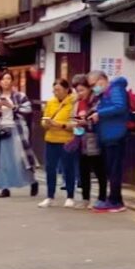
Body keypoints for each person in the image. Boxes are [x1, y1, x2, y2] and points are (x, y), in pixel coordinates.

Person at [0, 71, 39, 198]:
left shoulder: (20, 96)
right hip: (1, 130)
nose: (6, 81)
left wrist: (13, 106)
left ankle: (32, 181)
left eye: (9, 78)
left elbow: (28, 110)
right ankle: (5, 187)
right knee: (3, 160)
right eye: (3, 79)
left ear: (12, 81)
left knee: (21, 158)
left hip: (17, 129)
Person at [92, 71, 130, 213]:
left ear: (102, 80)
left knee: (114, 169)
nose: (93, 88)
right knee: (111, 169)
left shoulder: (115, 89)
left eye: (93, 84)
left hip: (115, 134)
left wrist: (99, 113)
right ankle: (114, 199)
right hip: (109, 135)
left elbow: (119, 106)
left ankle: (115, 201)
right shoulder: (105, 93)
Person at [38, 78, 78, 208]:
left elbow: (74, 124)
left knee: (68, 168)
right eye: (54, 90)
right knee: (50, 168)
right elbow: (44, 119)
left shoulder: (73, 102)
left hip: (66, 140)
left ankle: (70, 196)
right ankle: (50, 196)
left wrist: (59, 124)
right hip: (51, 139)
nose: (56, 92)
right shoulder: (50, 102)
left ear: (66, 90)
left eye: (58, 90)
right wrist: (46, 123)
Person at [70, 74, 107, 209]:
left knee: (99, 169)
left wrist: (86, 122)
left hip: (94, 138)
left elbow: (99, 120)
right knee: (83, 170)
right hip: (80, 139)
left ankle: (102, 197)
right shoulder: (76, 102)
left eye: (82, 90)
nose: (80, 93)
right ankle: (85, 199)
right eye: (77, 91)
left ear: (89, 89)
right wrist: (74, 123)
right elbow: (72, 117)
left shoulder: (96, 101)